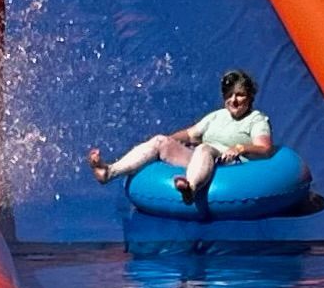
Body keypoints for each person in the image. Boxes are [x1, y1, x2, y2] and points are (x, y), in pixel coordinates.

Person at [87, 69, 274, 206]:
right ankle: (108, 172)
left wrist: (240, 148)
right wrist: (168, 142)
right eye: (229, 95)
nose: (234, 100)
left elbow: (264, 148)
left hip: (230, 165)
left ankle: (190, 189)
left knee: (204, 148)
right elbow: (190, 134)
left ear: (249, 97)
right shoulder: (217, 116)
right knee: (161, 140)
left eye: (240, 95)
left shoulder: (255, 119)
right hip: (203, 161)